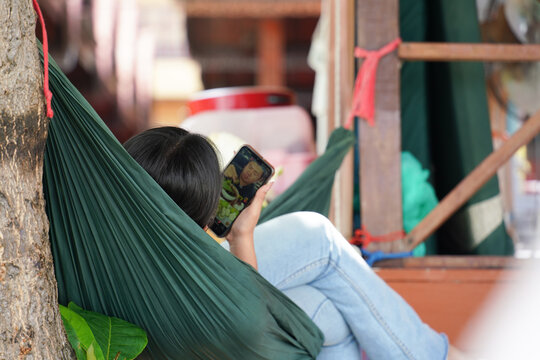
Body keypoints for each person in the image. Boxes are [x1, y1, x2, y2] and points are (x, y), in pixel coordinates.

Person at [123, 127, 452, 360]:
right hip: (193, 309)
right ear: (202, 210)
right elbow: (243, 321)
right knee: (316, 235)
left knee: (328, 313)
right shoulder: (194, 285)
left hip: (173, 306)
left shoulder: (109, 235)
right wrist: (241, 235)